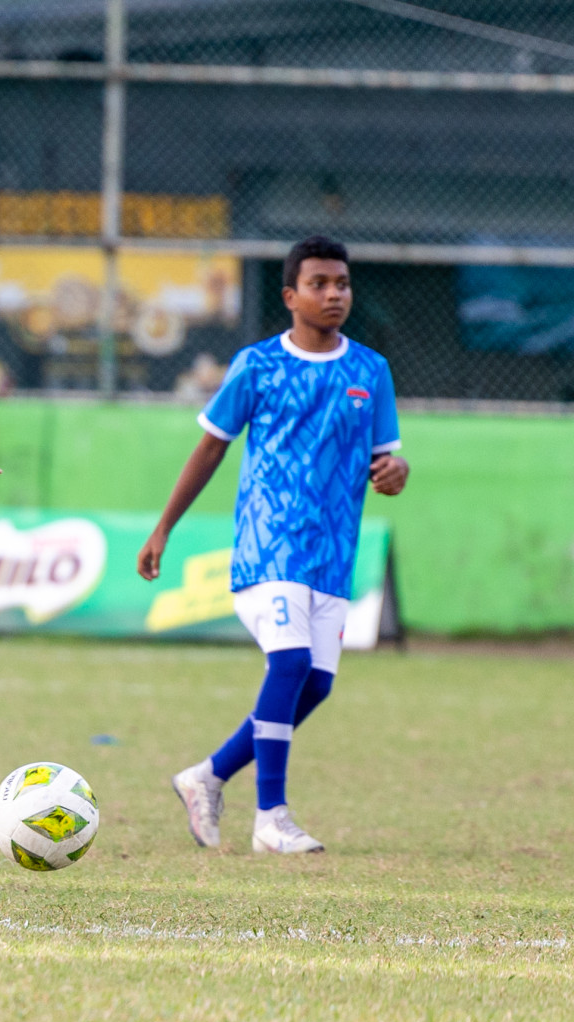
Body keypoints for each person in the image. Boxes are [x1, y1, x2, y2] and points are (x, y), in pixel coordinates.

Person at [138, 235, 410, 855]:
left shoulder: (371, 371)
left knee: (314, 685)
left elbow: (387, 462)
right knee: (287, 667)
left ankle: (205, 776)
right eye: (319, 283)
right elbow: (210, 446)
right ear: (290, 296)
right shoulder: (257, 365)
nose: (334, 293)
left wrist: (398, 473)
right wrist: (164, 528)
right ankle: (271, 819)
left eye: (341, 283)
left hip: (333, 556)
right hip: (269, 547)